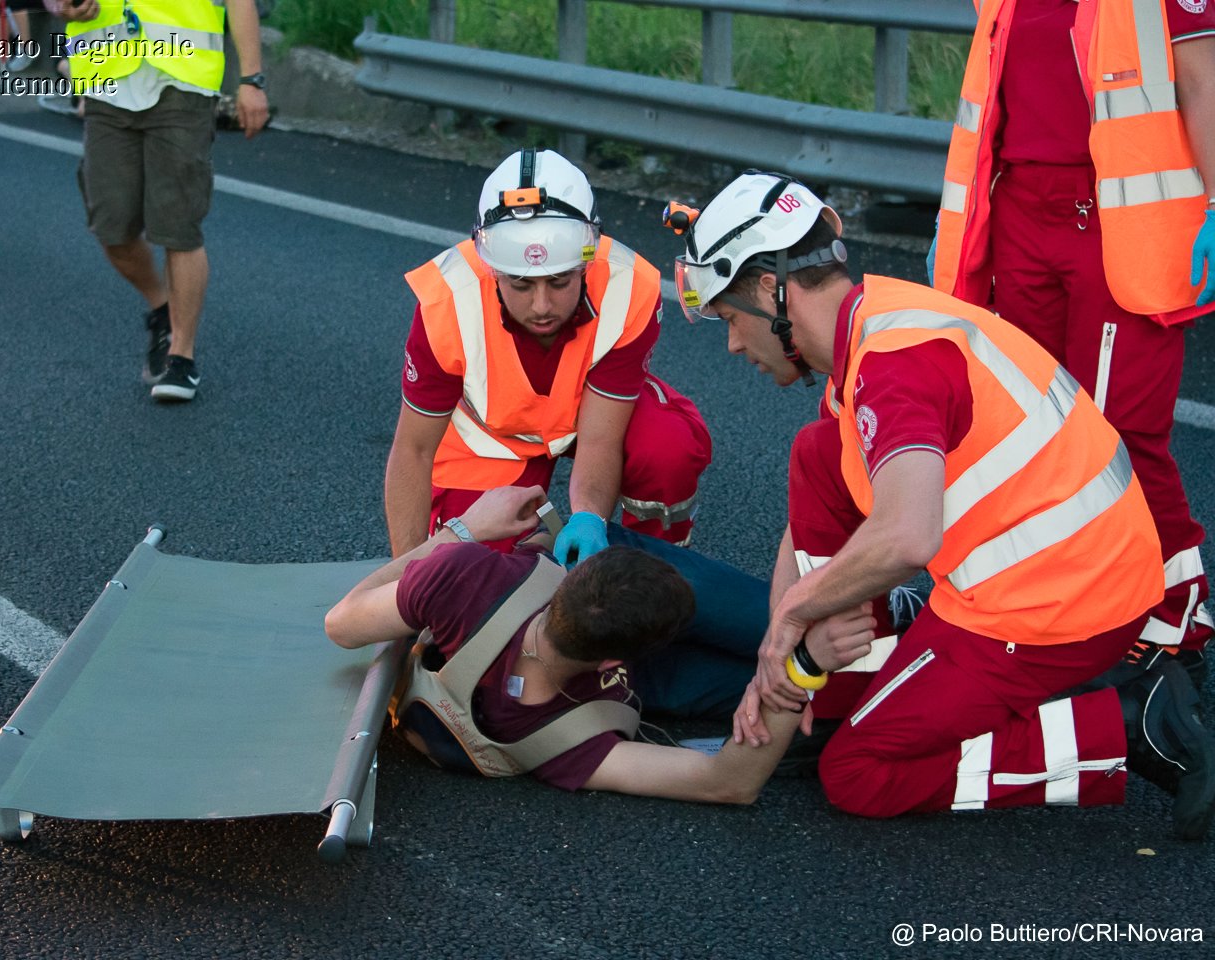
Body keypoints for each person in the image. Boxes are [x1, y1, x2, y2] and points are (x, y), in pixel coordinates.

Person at [674, 170, 1215, 839]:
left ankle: (1125, 723)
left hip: (1056, 604)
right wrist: (783, 654)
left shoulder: (896, 362)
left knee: (858, 774)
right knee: (821, 453)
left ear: (769, 289)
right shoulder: (877, 323)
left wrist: (793, 613)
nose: (731, 344)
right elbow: (813, 518)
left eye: (729, 319)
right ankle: (841, 698)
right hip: (1065, 570)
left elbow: (905, 537)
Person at [928, 0, 1215, 684]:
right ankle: (1068, 602)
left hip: (1119, 227)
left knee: (1121, 436)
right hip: (1019, 214)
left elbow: (1202, 82)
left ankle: (1178, 610)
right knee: (1038, 431)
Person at [326, 486, 878, 800]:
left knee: (843, 686)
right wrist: (800, 662)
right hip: (634, 672)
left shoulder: (465, 579)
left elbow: (342, 622)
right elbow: (729, 783)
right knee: (835, 673)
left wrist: (464, 529)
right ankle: (869, 616)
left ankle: (865, 647)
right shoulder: (568, 737)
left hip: (608, 677)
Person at [387, 148, 712, 564]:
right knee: (469, 577)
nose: (542, 306)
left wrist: (589, 517)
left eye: (559, 281)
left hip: (588, 415)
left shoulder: (629, 285)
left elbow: (600, 438)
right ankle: (534, 552)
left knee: (667, 448)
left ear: (585, 262)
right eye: (521, 285)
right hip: (491, 440)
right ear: (493, 270)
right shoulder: (445, 301)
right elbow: (413, 451)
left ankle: (651, 567)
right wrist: (408, 579)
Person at [44, 0, 269, 402]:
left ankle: (180, 356)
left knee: (178, 227)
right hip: (105, 75)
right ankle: (162, 306)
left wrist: (252, 78)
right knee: (112, 228)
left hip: (182, 80)